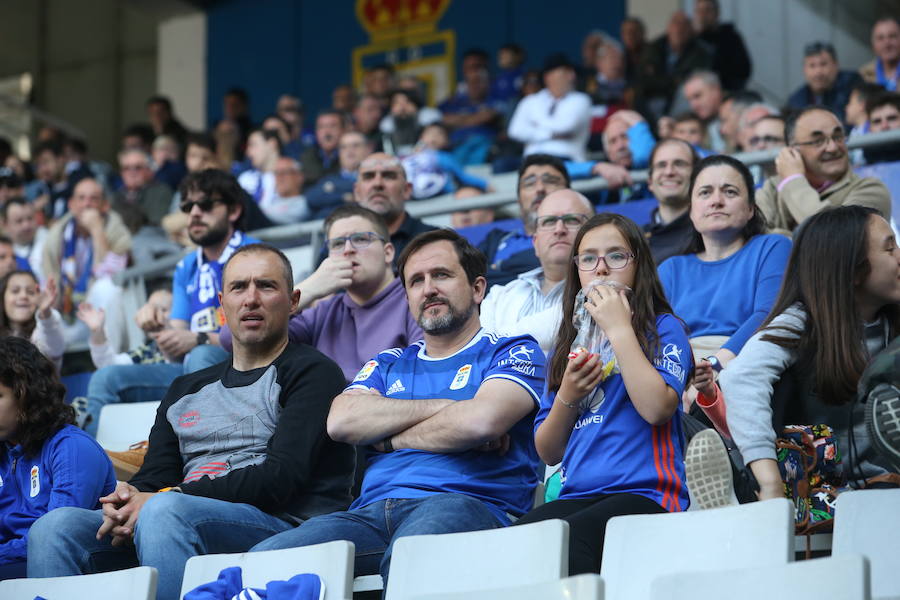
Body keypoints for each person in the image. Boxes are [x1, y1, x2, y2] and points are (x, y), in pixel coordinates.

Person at [28, 243, 356, 600]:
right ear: (222, 303)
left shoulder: (313, 372)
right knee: (54, 528)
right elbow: (157, 475)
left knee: (162, 511)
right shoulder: (186, 387)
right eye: (238, 287)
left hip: (280, 523)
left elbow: (282, 477)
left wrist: (166, 497)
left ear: (293, 301)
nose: (251, 299)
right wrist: (131, 496)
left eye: (266, 285)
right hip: (177, 517)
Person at [250, 229, 546, 586]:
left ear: (478, 288)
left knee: (412, 555)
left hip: (468, 503)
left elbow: (480, 421)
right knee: (263, 562)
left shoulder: (512, 350)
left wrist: (388, 439)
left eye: (441, 275)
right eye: (416, 281)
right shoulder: (388, 362)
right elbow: (341, 421)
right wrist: (455, 408)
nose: (429, 289)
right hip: (370, 514)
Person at [514, 212, 693, 574]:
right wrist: (568, 393)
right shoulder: (566, 347)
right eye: (588, 258)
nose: (601, 269)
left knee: (572, 540)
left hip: (648, 494)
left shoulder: (663, 329)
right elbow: (549, 451)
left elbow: (657, 408)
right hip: (577, 496)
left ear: (638, 265)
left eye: (616, 256)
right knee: (513, 543)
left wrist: (618, 329)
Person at [721, 205, 900, 501]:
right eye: (890, 248)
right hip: (829, 492)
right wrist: (769, 482)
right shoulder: (802, 322)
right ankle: (739, 481)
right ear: (853, 269)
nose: (898, 256)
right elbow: (740, 378)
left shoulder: (891, 322)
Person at [78, 169, 257, 437]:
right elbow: (176, 345)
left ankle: (207, 457)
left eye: (205, 204)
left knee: (201, 356)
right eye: (187, 206)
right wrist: (162, 333)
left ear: (233, 211)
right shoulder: (187, 265)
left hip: (245, 369)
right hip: (190, 369)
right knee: (106, 378)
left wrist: (196, 340)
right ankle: (98, 472)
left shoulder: (254, 255)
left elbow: (257, 336)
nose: (194, 213)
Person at [220, 205, 422, 382]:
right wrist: (309, 288)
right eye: (337, 244)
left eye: (360, 239)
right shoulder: (323, 312)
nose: (348, 250)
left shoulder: (415, 299)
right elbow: (235, 338)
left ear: (388, 252)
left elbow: (423, 375)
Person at [658, 155, 791, 401]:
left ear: (751, 208)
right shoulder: (671, 269)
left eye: (729, 192)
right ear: (691, 210)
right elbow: (656, 335)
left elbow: (769, 313)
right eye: (705, 193)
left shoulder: (772, 247)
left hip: (746, 362)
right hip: (679, 371)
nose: (716, 201)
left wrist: (713, 366)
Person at [0, 337, 115, 580]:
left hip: (62, 568)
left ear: (25, 395)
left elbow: (55, 536)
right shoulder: (4, 449)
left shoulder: (72, 448)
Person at [481, 189, 593, 353]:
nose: (559, 229)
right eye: (549, 222)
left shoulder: (600, 289)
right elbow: (482, 351)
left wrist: (498, 343)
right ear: (535, 242)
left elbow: (490, 347)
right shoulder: (498, 295)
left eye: (571, 220)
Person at [757, 107, 892, 233]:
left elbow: (836, 237)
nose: (833, 147)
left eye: (838, 137)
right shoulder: (772, 188)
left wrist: (793, 182)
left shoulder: (871, 189)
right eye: (818, 141)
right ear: (792, 151)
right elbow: (752, 240)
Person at [41, 178, 131, 350]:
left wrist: (96, 230)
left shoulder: (116, 230)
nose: (87, 204)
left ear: (105, 205)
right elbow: (50, 275)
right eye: (81, 198)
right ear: (71, 205)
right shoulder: (57, 234)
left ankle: (109, 357)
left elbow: (110, 275)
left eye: (93, 198)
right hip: (68, 311)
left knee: (106, 287)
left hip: (101, 311)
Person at [478, 154, 570, 287]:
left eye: (550, 181)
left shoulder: (582, 235)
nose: (540, 189)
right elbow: (468, 277)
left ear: (569, 193)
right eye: (529, 184)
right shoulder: (495, 240)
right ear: (519, 200)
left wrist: (499, 267)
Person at [352, 153, 436, 261]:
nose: (377, 183)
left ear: (406, 190)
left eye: (388, 176)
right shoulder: (340, 244)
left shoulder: (432, 240)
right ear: (357, 192)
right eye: (369, 176)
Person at [508, 53, 592, 162]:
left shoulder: (581, 100)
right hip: (531, 158)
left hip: (566, 157)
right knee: (501, 165)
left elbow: (566, 127)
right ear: (547, 77)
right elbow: (515, 131)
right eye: (563, 73)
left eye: (570, 73)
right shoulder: (531, 101)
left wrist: (536, 123)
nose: (570, 76)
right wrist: (550, 134)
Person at [635, 11, 712, 120]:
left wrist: (662, 80)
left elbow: (689, 80)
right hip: (652, 98)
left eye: (684, 25)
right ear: (668, 28)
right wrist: (671, 82)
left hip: (682, 99)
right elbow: (644, 80)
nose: (679, 29)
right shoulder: (653, 48)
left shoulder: (701, 52)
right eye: (675, 24)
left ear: (691, 30)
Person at [643, 138, 699, 264]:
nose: (669, 172)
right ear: (650, 182)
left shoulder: (711, 233)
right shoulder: (635, 240)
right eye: (661, 165)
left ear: (697, 176)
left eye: (679, 164)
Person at [0, 270, 63, 368]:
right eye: (15, 291)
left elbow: (53, 343)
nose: (23, 296)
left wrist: (45, 312)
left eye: (30, 292)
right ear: (2, 298)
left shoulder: (43, 332)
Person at [787, 42, 862, 123]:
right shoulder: (796, 100)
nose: (818, 72)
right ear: (804, 70)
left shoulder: (852, 83)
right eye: (812, 66)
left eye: (823, 64)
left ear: (836, 65)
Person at [305, 131, 372, 221]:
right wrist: (344, 197)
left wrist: (335, 192)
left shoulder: (376, 177)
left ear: (368, 149)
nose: (349, 150)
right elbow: (312, 198)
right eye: (344, 147)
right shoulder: (328, 179)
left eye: (355, 145)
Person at [693, 0, 752, 91]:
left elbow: (744, 70)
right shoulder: (691, 40)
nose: (703, 15)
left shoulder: (731, 38)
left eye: (707, 10)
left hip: (725, 92)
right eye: (699, 11)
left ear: (717, 13)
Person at [1, 198, 47, 278]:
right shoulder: (3, 250)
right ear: (5, 225)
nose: (26, 225)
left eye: (30, 218)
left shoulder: (50, 239)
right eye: (19, 221)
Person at [681, 70, 726, 152]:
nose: (693, 106)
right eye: (689, 100)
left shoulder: (741, 113)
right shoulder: (698, 123)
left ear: (716, 90)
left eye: (697, 96)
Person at [300, 110, 344, 187]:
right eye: (322, 127)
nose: (327, 132)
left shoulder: (351, 154)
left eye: (333, 126)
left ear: (343, 130)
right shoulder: (306, 157)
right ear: (316, 132)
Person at [859, 16, 900, 92]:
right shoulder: (863, 75)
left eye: (892, 36)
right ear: (873, 45)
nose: (887, 43)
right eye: (880, 38)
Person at [864, 91, 900, 163]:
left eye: (891, 118)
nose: (884, 126)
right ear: (870, 128)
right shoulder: (861, 167)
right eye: (877, 121)